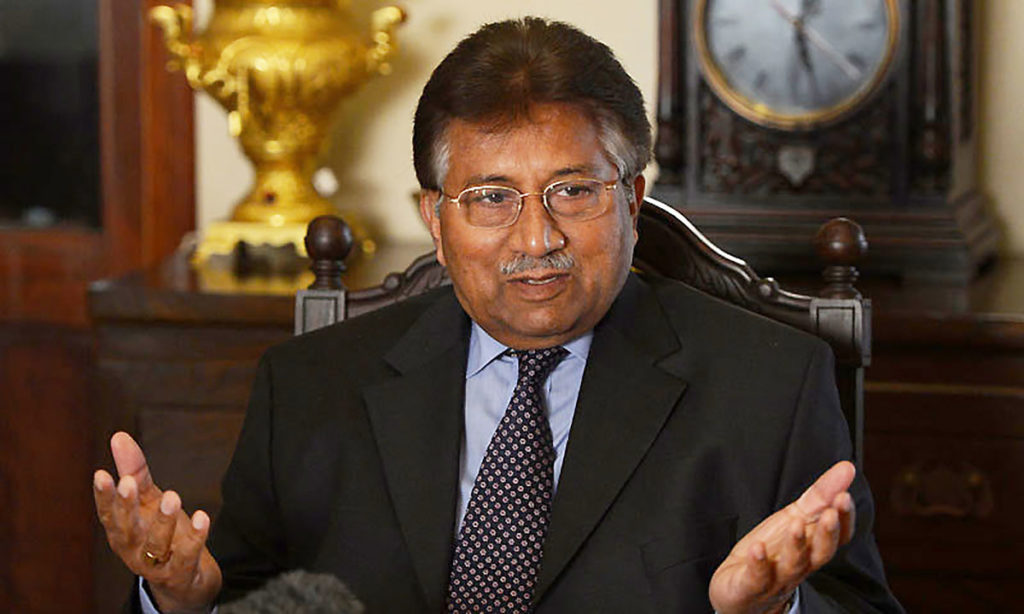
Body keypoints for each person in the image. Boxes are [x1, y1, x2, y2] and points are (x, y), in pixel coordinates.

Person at [94, 17, 903, 613]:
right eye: (491, 198)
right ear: (435, 221)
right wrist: (181, 602)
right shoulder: (308, 387)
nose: (537, 238)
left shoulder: (770, 385)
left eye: (574, 191)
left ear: (631, 200)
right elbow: (247, 596)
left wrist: (774, 610)